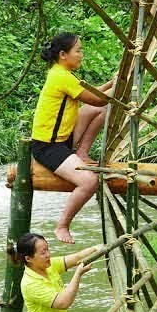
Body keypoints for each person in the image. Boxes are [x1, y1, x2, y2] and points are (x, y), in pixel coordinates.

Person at [32, 32, 112, 244]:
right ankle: (62, 225)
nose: (81, 55)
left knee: (105, 108)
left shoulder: (62, 72)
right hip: (48, 147)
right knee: (89, 181)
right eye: (78, 50)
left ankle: (81, 153)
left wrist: (113, 82)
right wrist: (120, 83)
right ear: (63, 54)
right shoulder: (61, 76)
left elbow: (94, 96)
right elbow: (95, 99)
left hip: (63, 139)